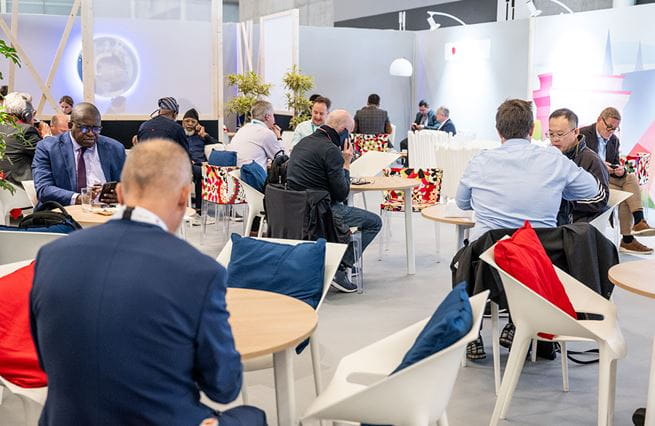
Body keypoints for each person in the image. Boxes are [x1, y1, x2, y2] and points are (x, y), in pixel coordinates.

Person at [30, 139, 266, 426]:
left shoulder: (51, 257)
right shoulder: (199, 273)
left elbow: (46, 361)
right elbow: (224, 386)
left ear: (118, 193)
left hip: (65, 419)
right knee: (253, 416)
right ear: (184, 197)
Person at [456, 99, 602, 242]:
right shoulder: (554, 159)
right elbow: (591, 189)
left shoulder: (478, 161)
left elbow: (462, 203)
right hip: (537, 255)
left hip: (486, 256)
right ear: (532, 129)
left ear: (498, 131)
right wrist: (560, 190)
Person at [287, 110, 382, 293]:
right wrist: (346, 163)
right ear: (344, 131)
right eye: (350, 133)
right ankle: (338, 267)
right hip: (321, 211)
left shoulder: (303, 143)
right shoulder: (331, 150)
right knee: (374, 222)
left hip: (297, 207)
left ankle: (337, 259)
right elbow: (341, 194)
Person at [579, 107, 655, 254]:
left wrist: (619, 170)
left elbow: (614, 162)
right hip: (589, 178)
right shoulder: (583, 134)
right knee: (626, 192)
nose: (611, 131)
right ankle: (628, 239)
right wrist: (600, 165)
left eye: (615, 129)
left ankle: (638, 223)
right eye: (609, 127)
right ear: (599, 120)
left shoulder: (614, 140)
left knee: (629, 178)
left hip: (607, 178)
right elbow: (578, 162)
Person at [32, 102, 125, 206]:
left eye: (96, 129)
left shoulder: (115, 148)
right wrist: (80, 198)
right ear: (71, 125)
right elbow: (44, 189)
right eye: (85, 128)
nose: (91, 134)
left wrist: (120, 195)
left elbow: (129, 186)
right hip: (63, 214)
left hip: (107, 213)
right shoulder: (48, 148)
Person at [548, 108, 609, 225]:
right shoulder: (549, 156)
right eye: (551, 134)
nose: (555, 139)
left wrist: (564, 200)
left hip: (576, 226)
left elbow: (601, 199)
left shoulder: (591, 159)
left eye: (560, 134)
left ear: (576, 132)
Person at [182, 108, 222, 213]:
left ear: (197, 124)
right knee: (201, 172)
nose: (189, 124)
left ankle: (199, 208)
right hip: (185, 165)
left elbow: (219, 146)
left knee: (201, 172)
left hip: (201, 166)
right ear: (182, 122)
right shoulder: (179, 135)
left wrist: (205, 135)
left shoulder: (201, 136)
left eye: (193, 121)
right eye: (187, 121)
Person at [0, 92, 43, 186]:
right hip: (22, 193)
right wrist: (47, 137)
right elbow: (49, 155)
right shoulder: (26, 131)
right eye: (33, 113)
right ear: (26, 114)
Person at [228, 100, 283, 169]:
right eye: (273, 115)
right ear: (267, 117)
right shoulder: (266, 133)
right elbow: (281, 159)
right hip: (253, 176)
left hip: (235, 175)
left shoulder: (243, 129)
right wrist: (279, 137)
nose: (274, 119)